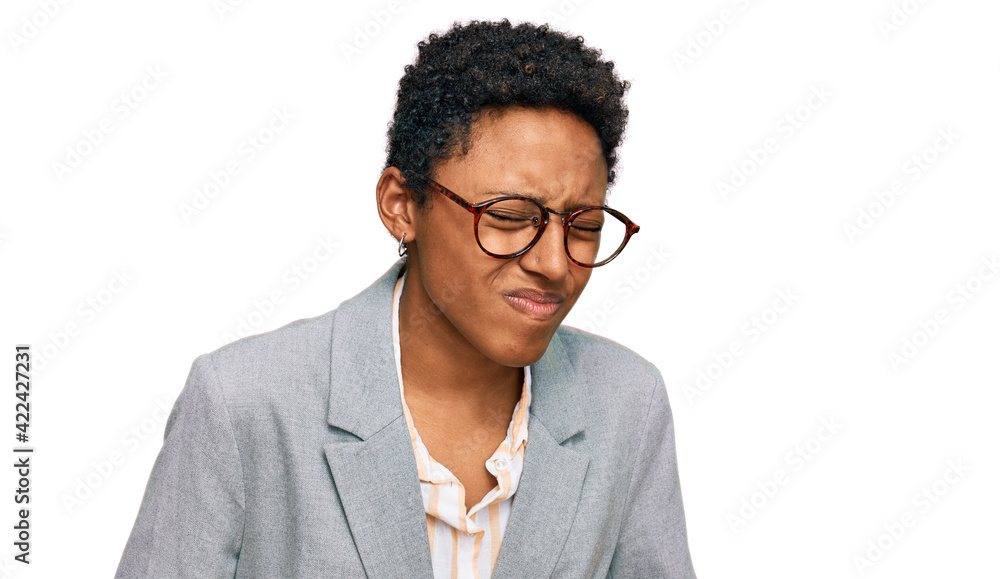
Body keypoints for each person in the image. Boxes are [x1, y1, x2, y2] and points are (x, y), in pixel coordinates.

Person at [115, 19, 696, 578]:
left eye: (584, 225)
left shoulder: (627, 405)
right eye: (509, 217)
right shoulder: (245, 404)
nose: (554, 264)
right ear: (401, 205)